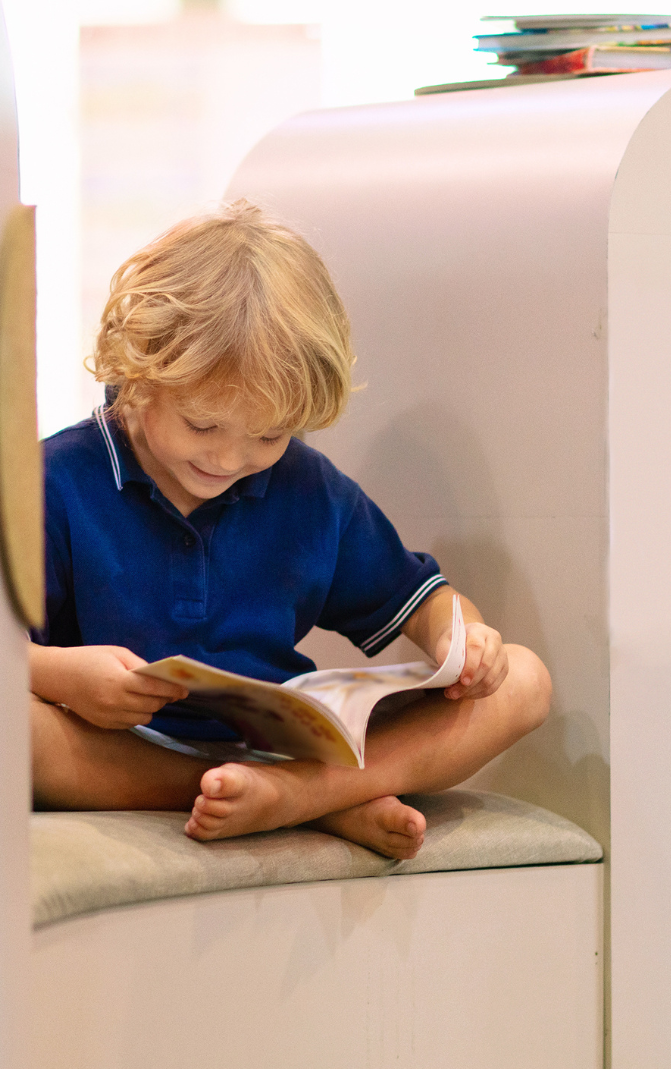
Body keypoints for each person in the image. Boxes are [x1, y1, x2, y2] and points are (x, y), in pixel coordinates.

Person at [29, 201, 550, 859]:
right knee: (7, 726)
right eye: (202, 425)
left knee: (525, 681)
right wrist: (63, 677)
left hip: (280, 740)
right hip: (116, 745)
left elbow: (421, 600)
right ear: (138, 370)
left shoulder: (308, 487)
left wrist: (464, 638)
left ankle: (299, 793)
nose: (228, 460)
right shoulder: (55, 480)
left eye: (269, 435)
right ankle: (312, 797)